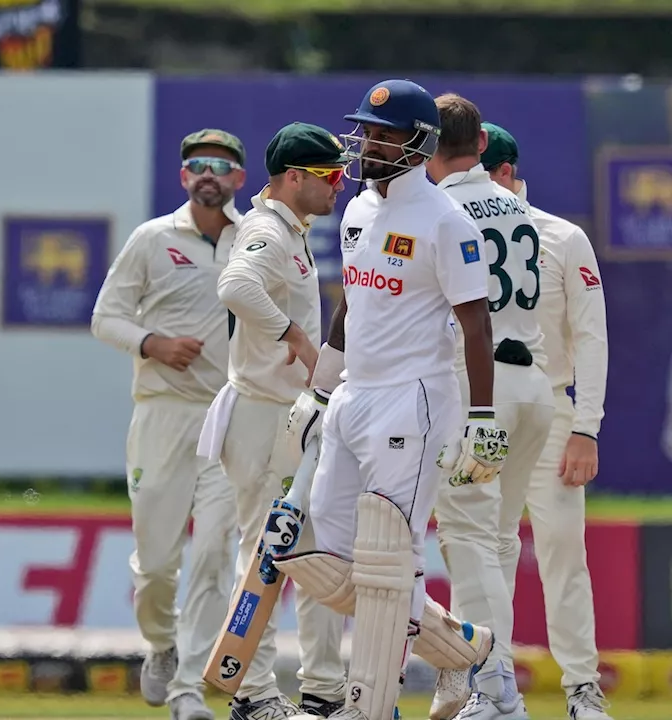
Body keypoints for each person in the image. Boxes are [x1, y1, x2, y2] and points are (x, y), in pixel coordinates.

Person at [274, 79, 505, 720]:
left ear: (417, 142)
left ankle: (369, 705)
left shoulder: (445, 220)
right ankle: (465, 649)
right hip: (354, 395)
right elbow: (351, 305)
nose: (367, 142)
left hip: (415, 400)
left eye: (381, 134)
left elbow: (476, 325)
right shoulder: (355, 211)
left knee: (384, 562)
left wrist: (484, 420)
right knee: (330, 558)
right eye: (365, 130)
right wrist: (323, 386)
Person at [197, 122, 351, 720]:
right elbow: (234, 285)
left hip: (288, 416)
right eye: (329, 175)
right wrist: (294, 336)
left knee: (311, 554)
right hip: (263, 416)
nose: (339, 186)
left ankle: (322, 690)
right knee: (264, 554)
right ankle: (254, 693)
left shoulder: (290, 229)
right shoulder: (265, 229)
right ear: (294, 178)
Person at [91, 128, 242, 720]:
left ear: (239, 179)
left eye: (221, 166)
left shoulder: (252, 240)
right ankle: (160, 644)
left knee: (213, 556)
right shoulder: (153, 239)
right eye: (198, 165)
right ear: (184, 177)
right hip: (163, 413)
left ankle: (187, 691)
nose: (209, 174)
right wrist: (152, 343)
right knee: (156, 565)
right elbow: (106, 317)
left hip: (229, 418)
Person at [425, 95, 555, 720]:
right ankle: (494, 685)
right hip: (533, 389)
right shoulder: (518, 205)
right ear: (482, 146)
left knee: (469, 536)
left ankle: (496, 686)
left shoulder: (437, 207)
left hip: (480, 390)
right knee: (497, 539)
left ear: (426, 145)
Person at [481, 122, 613, 720]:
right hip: (481, 405)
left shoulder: (562, 237)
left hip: (551, 406)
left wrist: (587, 426)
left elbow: (591, 336)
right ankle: (493, 684)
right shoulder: (453, 228)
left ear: (504, 173)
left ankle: (582, 688)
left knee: (561, 546)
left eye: (477, 172)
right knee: (487, 547)